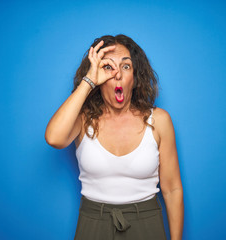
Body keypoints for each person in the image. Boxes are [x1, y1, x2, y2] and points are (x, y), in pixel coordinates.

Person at [45, 34, 184, 240]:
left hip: (147, 223)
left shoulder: (159, 120)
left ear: (135, 78)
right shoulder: (83, 120)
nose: (117, 74)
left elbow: (172, 189)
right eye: (108, 67)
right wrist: (89, 81)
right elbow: (54, 138)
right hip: (93, 223)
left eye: (126, 66)